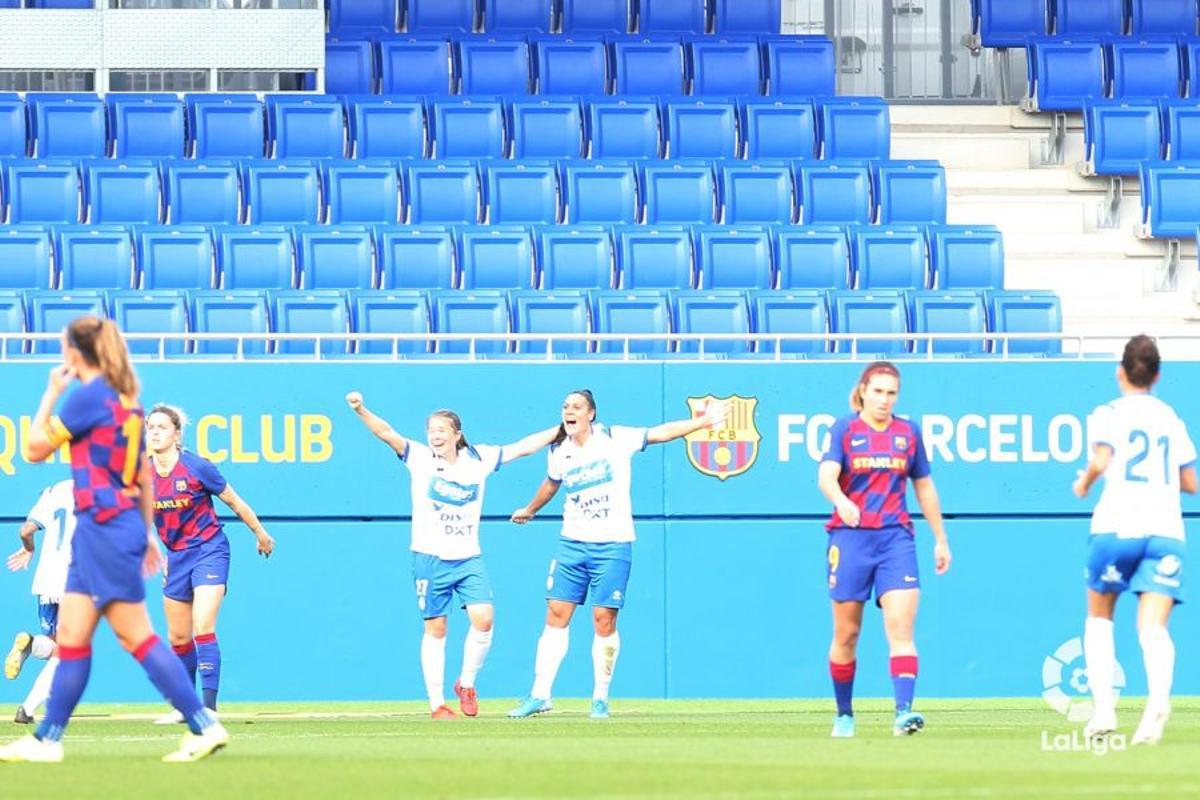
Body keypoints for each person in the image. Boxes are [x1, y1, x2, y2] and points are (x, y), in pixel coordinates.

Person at [0, 317, 227, 763]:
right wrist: (145, 535)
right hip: (109, 528)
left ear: (76, 354)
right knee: (73, 635)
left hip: (102, 529)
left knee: (135, 635)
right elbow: (140, 476)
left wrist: (49, 393)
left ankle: (204, 725)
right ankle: (47, 739)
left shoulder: (88, 398)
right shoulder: (127, 402)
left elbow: (31, 450)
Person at [507, 389, 727, 720]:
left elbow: (660, 432)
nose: (570, 411)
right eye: (566, 406)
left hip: (612, 544)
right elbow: (551, 484)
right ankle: (540, 694)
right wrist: (530, 509)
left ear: (591, 414)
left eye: (577, 406)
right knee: (555, 614)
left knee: (603, 619)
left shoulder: (615, 438)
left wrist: (701, 423)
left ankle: (600, 698)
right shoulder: (558, 450)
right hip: (572, 542)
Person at [346, 391, 557, 719]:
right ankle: (437, 704)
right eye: (431, 430)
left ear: (457, 434)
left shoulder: (479, 459)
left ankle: (467, 682)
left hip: (468, 556)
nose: (435, 435)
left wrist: (562, 430)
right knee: (436, 628)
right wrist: (361, 409)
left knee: (484, 618)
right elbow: (386, 433)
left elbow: (524, 447)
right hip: (429, 557)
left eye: (442, 429)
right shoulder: (419, 457)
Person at [817, 361, 951, 739]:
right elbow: (826, 474)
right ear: (863, 390)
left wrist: (940, 539)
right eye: (877, 391)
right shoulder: (845, 428)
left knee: (901, 628)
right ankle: (844, 715)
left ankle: (903, 713)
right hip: (850, 538)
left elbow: (924, 486)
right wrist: (841, 499)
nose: (884, 399)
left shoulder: (908, 432)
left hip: (896, 540)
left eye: (891, 393)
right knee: (847, 634)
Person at [1073, 335, 1195, 746]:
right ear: (1157, 375)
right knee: (1153, 627)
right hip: (1165, 531)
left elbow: (1102, 459)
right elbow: (1189, 481)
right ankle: (1158, 701)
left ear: (1120, 372)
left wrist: (1084, 483)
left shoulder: (1107, 413)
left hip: (1116, 527)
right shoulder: (1170, 417)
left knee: (1099, 617)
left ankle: (1104, 711)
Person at [145, 403, 275, 723]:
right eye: (151, 427)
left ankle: (209, 708)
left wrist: (260, 534)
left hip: (209, 549)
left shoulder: (197, 467)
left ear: (177, 434)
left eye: (162, 427)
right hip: (177, 557)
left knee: (203, 625)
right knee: (177, 637)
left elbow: (234, 500)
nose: (155, 432)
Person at [5, 479, 76, 725]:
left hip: (47, 579)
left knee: (56, 646)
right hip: (76, 577)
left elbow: (25, 530)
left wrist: (29, 549)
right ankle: (27, 709)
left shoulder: (56, 489)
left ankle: (32, 644)